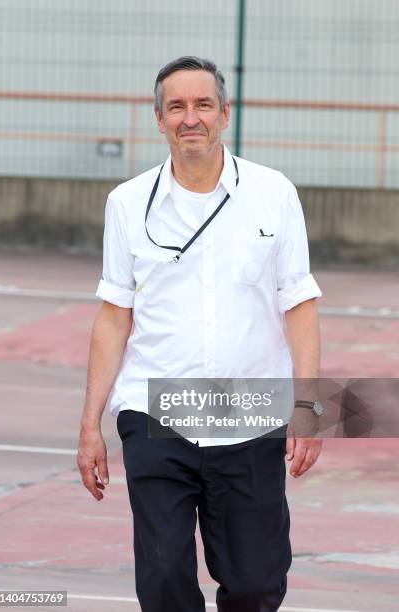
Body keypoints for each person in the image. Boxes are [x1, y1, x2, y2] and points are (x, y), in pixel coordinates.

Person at [77, 56, 323, 612]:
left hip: (249, 409)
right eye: (178, 107)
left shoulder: (273, 193)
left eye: (204, 105)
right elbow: (114, 315)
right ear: (159, 119)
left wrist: (308, 405)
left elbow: (301, 304)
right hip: (153, 409)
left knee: (257, 581)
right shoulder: (127, 203)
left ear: (225, 115)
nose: (192, 118)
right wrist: (90, 423)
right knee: (163, 574)